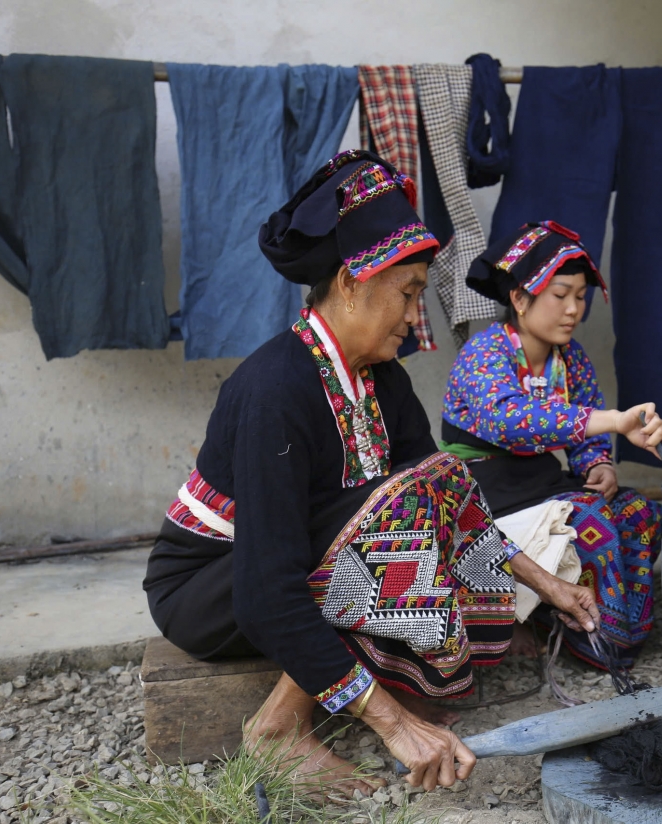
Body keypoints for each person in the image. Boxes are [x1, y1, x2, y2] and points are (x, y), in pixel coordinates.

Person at [143, 152, 599, 797]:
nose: (418, 317)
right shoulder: (274, 389)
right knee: (397, 513)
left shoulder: (382, 377)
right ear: (355, 280)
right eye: (410, 293)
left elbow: (449, 498)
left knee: (435, 484)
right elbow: (265, 589)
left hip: (304, 560)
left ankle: (397, 682)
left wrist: (546, 583)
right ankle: (275, 730)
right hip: (212, 588)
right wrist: (394, 727)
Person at [441, 221, 662, 669]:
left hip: (540, 480)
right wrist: (609, 422)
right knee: (589, 521)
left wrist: (599, 465)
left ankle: (618, 629)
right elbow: (510, 422)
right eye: (560, 294)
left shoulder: (571, 359)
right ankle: (586, 633)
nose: (573, 309)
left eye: (581, 296)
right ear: (519, 298)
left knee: (639, 512)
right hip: (483, 488)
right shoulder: (484, 352)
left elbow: (586, 430)